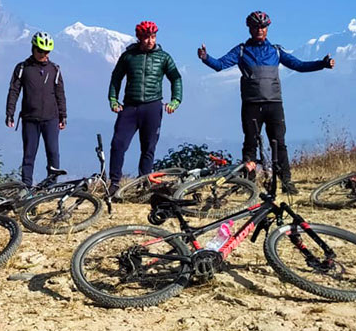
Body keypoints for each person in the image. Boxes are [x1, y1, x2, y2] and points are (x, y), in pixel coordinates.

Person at [198, 11, 334, 195]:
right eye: (256, 27)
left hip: (274, 104)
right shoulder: (241, 51)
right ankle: (249, 183)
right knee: (250, 144)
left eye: (263, 27)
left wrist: (322, 64)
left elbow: (299, 65)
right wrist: (206, 57)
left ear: (267, 29)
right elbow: (220, 65)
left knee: (279, 143)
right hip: (251, 105)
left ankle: (286, 181)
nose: (259, 30)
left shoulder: (275, 51)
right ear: (249, 29)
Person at [107, 21, 182, 198]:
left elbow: (176, 78)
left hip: (153, 106)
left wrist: (176, 100)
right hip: (130, 107)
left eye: (153, 37)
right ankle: (114, 184)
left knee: (148, 148)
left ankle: (144, 184)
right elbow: (116, 78)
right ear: (139, 38)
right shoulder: (128, 56)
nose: (150, 41)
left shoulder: (164, 57)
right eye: (147, 37)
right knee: (118, 144)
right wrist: (112, 99)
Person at [5, 32, 68, 188]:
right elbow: (14, 91)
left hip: (51, 118)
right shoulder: (22, 68)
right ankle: (26, 186)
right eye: (40, 51)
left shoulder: (55, 69)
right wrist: (10, 113)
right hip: (29, 119)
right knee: (29, 155)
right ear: (33, 48)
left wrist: (63, 116)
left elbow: (60, 94)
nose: (43, 54)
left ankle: (51, 185)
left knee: (53, 153)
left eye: (47, 52)